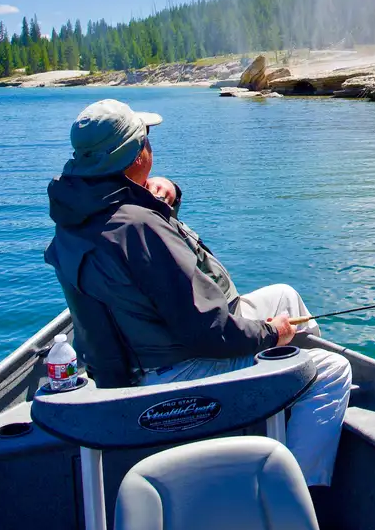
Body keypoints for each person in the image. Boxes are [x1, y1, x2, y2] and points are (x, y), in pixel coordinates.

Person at [44, 99, 351, 487]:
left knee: (284, 296)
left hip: (135, 357)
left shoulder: (78, 213)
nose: (150, 147)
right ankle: (300, 496)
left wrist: (160, 194)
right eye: (146, 139)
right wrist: (274, 334)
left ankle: (287, 404)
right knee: (329, 371)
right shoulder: (138, 227)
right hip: (175, 373)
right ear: (136, 155)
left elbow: (143, 259)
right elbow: (210, 331)